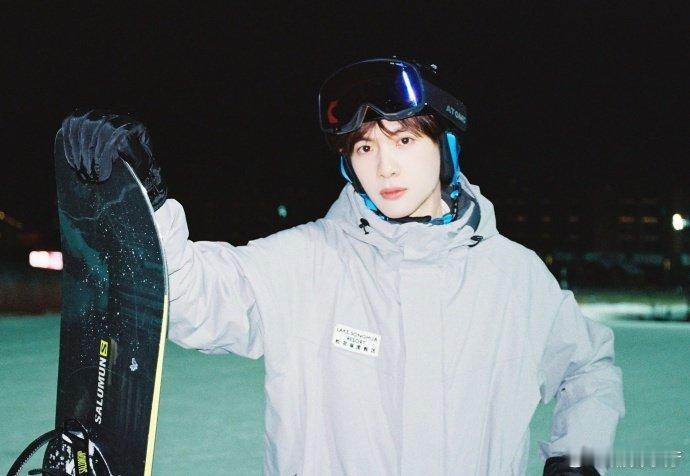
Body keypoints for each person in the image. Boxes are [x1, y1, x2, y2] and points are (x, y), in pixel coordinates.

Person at [61, 57, 625, 475]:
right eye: (364, 148)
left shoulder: (515, 279)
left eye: (404, 140)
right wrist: (145, 200)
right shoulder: (308, 263)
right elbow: (193, 297)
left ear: (445, 148)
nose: (385, 166)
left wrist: (578, 457)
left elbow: (587, 369)